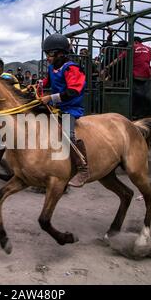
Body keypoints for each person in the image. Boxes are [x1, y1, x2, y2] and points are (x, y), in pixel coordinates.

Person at [38, 33, 89, 187]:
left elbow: (73, 91)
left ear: (61, 53)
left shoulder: (72, 69)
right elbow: (45, 82)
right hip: (56, 107)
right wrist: (36, 85)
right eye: (47, 54)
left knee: (67, 134)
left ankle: (83, 167)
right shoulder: (53, 68)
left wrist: (50, 98)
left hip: (70, 108)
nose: (48, 57)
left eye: (50, 54)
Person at [104, 37, 151, 118]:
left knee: (134, 96)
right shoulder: (150, 49)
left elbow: (118, 59)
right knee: (146, 96)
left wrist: (107, 67)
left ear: (135, 42)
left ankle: (135, 115)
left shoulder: (131, 48)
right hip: (147, 75)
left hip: (135, 75)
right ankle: (147, 115)